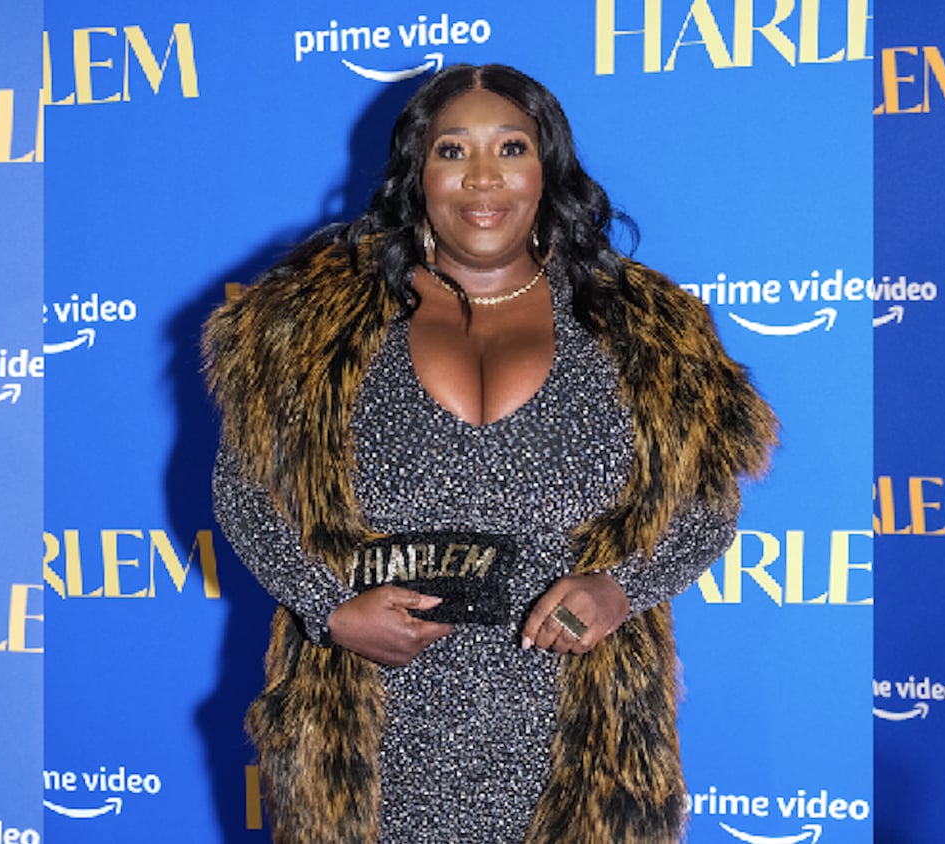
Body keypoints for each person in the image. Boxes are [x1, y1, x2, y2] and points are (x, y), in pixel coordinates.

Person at [205, 64, 776, 843]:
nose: (482, 177)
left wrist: (620, 588)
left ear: (548, 168)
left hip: (579, 735)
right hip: (369, 733)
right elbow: (247, 493)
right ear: (417, 171)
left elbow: (707, 501)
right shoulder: (309, 324)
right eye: (452, 150)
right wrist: (330, 610)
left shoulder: (645, 325)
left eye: (511, 148)